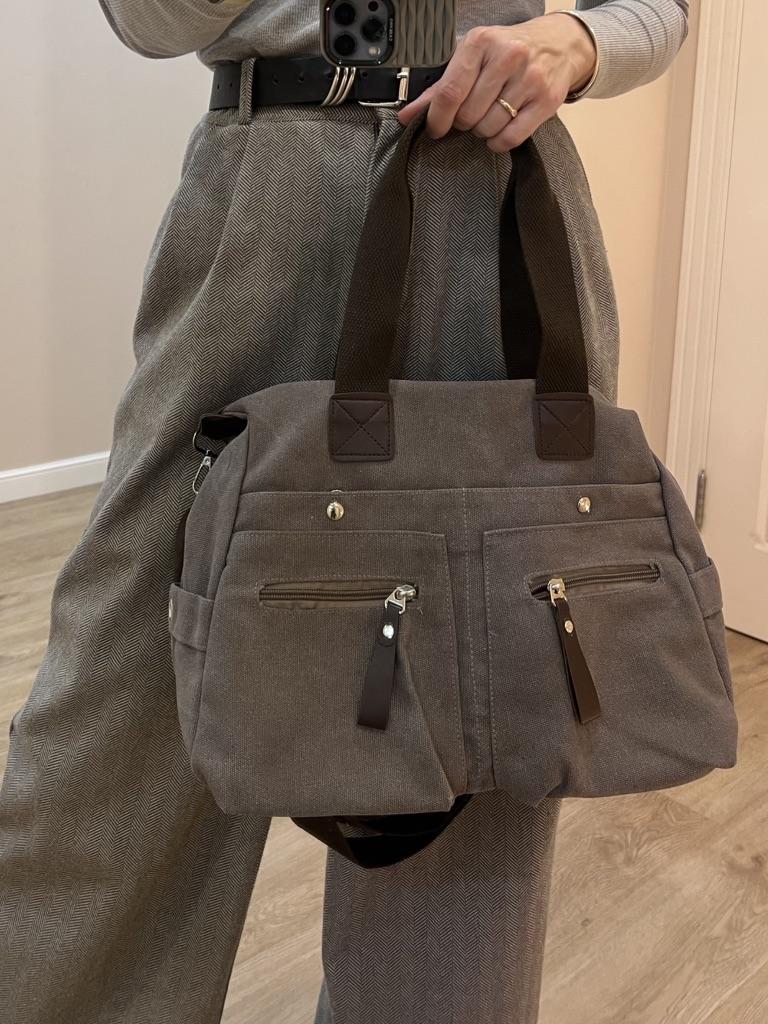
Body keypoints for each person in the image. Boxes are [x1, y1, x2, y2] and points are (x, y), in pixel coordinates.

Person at [0, 2, 690, 1022]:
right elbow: (149, 20)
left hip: (499, 201)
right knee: (129, 670)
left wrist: (583, 44)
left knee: (478, 699)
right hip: (267, 195)